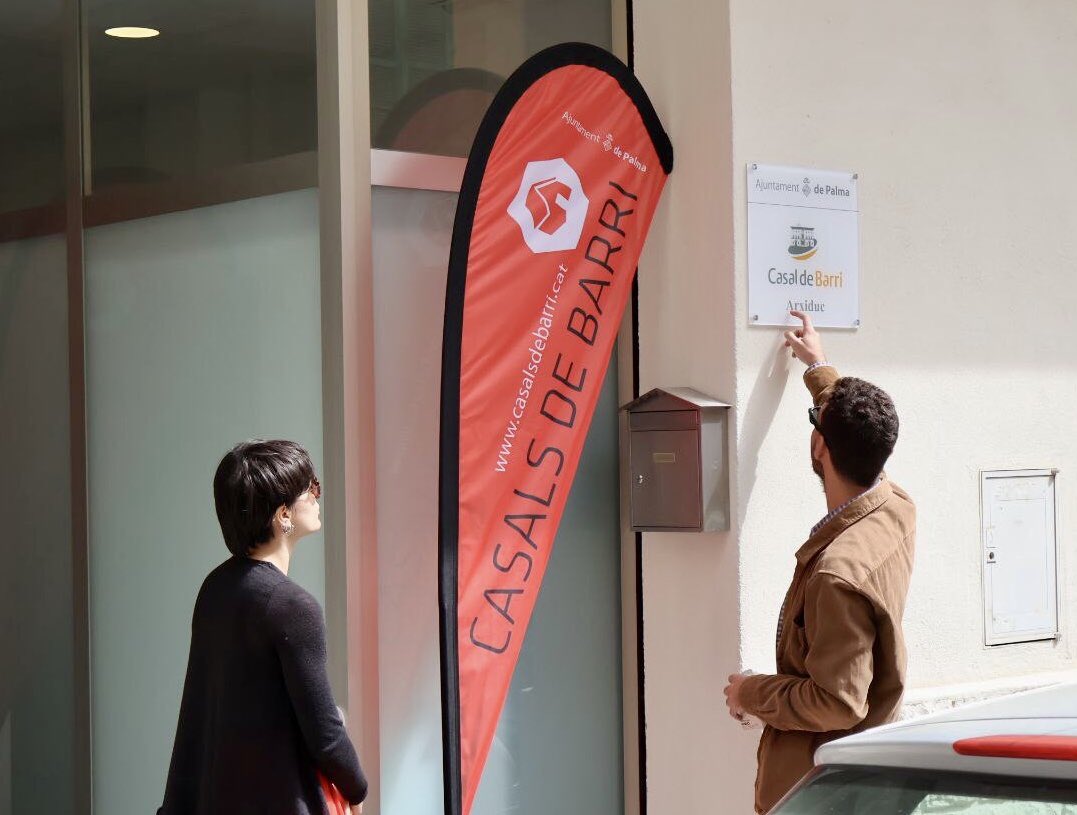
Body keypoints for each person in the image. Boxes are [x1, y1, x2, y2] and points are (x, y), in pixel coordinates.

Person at [723, 311, 915, 814]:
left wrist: (750, 693)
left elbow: (838, 701)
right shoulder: (895, 507)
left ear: (819, 446)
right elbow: (854, 433)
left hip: (818, 795)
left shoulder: (836, 576)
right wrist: (820, 368)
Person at [158, 439, 367, 814]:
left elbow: (198, 715)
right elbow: (325, 734)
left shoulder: (216, 589)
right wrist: (358, 788)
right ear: (282, 514)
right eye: (310, 487)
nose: (318, 495)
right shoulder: (293, 607)